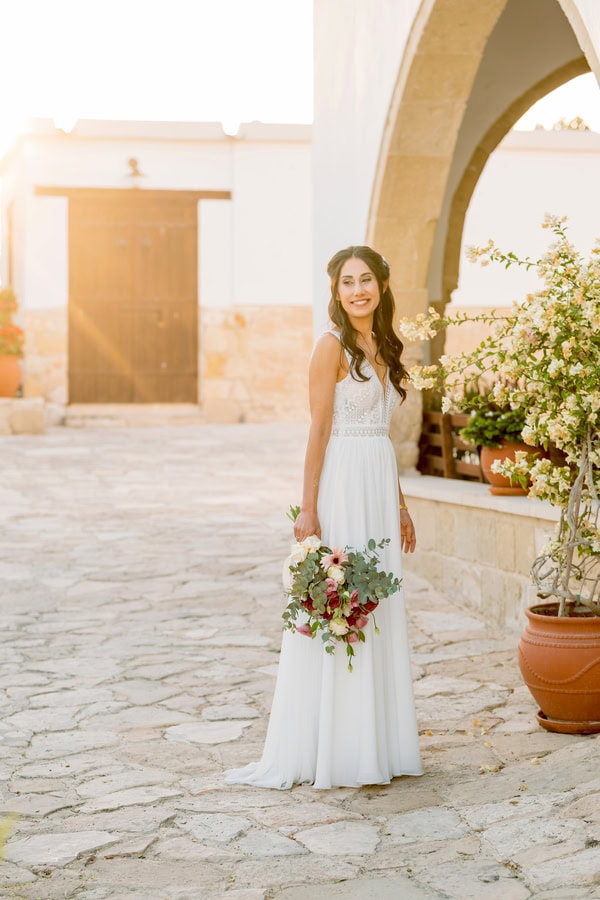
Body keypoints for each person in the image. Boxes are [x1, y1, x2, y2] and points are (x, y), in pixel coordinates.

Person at [225, 246, 423, 789]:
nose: (358, 290)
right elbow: (318, 431)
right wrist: (308, 507)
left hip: (379, 489)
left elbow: (380, 438)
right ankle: (335, 746)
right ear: (335, 292)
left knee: (377, 605)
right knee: (343, 603)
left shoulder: (382, 345)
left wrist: (402, 507)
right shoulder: (329, 346)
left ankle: (377, 742)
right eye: (346, 282)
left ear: (381, 286)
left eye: (366, 280)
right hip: (342, 486)